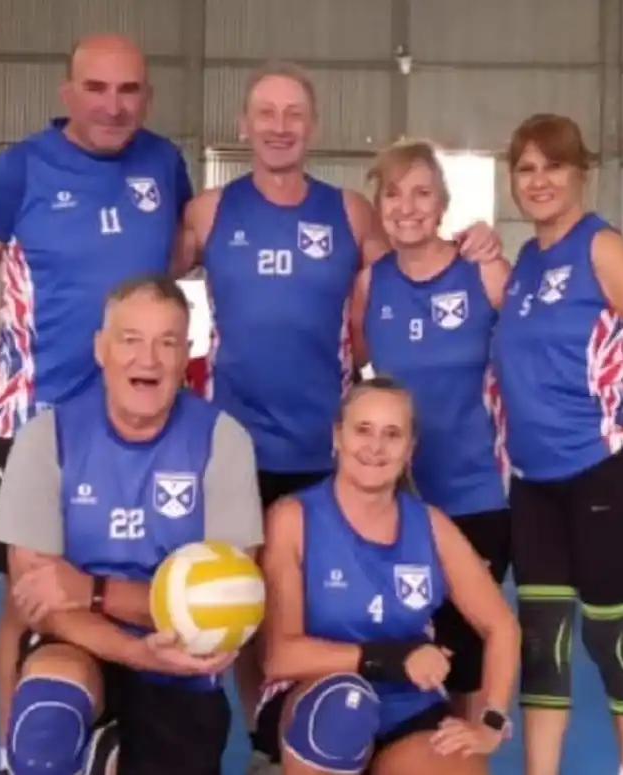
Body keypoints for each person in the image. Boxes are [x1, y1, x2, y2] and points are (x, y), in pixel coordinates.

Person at [171, 61, 503, 752]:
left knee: (332, 603)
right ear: (243, 124)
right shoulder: (208, 212)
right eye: (266, 112)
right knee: (248, 606)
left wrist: (479, 246)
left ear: (312, 126)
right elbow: (138, 287)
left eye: (294, 113)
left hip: (333, 454)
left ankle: (399, 724)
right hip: (235, 448)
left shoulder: (351, 212)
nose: (279, 126)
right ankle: (272, 738)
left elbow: (408, 273)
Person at [0, 34, 193, 775]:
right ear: (67, 91)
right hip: (36, 426)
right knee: (29, 599)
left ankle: (116, 726)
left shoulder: (163, 163)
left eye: (129, 91)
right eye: (97, 88)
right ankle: (16, 752)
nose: (113, 105)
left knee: (121, 578)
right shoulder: (16, 172)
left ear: (146, 95)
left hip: (137, 427)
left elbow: (179, 254)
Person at [491, 114, 623, 775]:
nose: (540, 180)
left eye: (553, 165)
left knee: (609, 634)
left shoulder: (600, 247)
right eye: (526, 168)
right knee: (541, 644)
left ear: (581, 172)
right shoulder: (524, 262)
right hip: (533, 481)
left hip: (605, 474)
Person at [0, 275, 263, 775]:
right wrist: (140, 646)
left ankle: (106, 756)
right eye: (130, 339)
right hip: (80, 644)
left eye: (167, 342)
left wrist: (90, 588)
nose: (148, 359)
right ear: (101, 349)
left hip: (182, 666)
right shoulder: (46, 439)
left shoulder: (223, 441)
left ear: (186, 357)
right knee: (46, 724)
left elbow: (229, 605)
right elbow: (40, 604)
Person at [253, 376, 520, 775]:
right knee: (344, 707)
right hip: (315, 693)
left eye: (392, 434)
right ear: (338, 437)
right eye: (363, 430)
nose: (375, 447)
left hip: (407, 704)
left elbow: (502, 626)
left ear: (409, 449)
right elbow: (280, 656)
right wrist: (390, 659)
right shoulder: (293, 519)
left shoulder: (431, 526)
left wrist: (492, 721)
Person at [349, 139, 512, 722]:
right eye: (392, 193)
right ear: (379, 205)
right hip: (398, 504)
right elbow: (358, 374)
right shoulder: (370, 286)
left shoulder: (482, 271)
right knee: (406, 644)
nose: (407, 206)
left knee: (466, 650)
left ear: (442, 202)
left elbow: (537, 353)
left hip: (476, 495)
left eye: (421, 192)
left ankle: (466, 753)